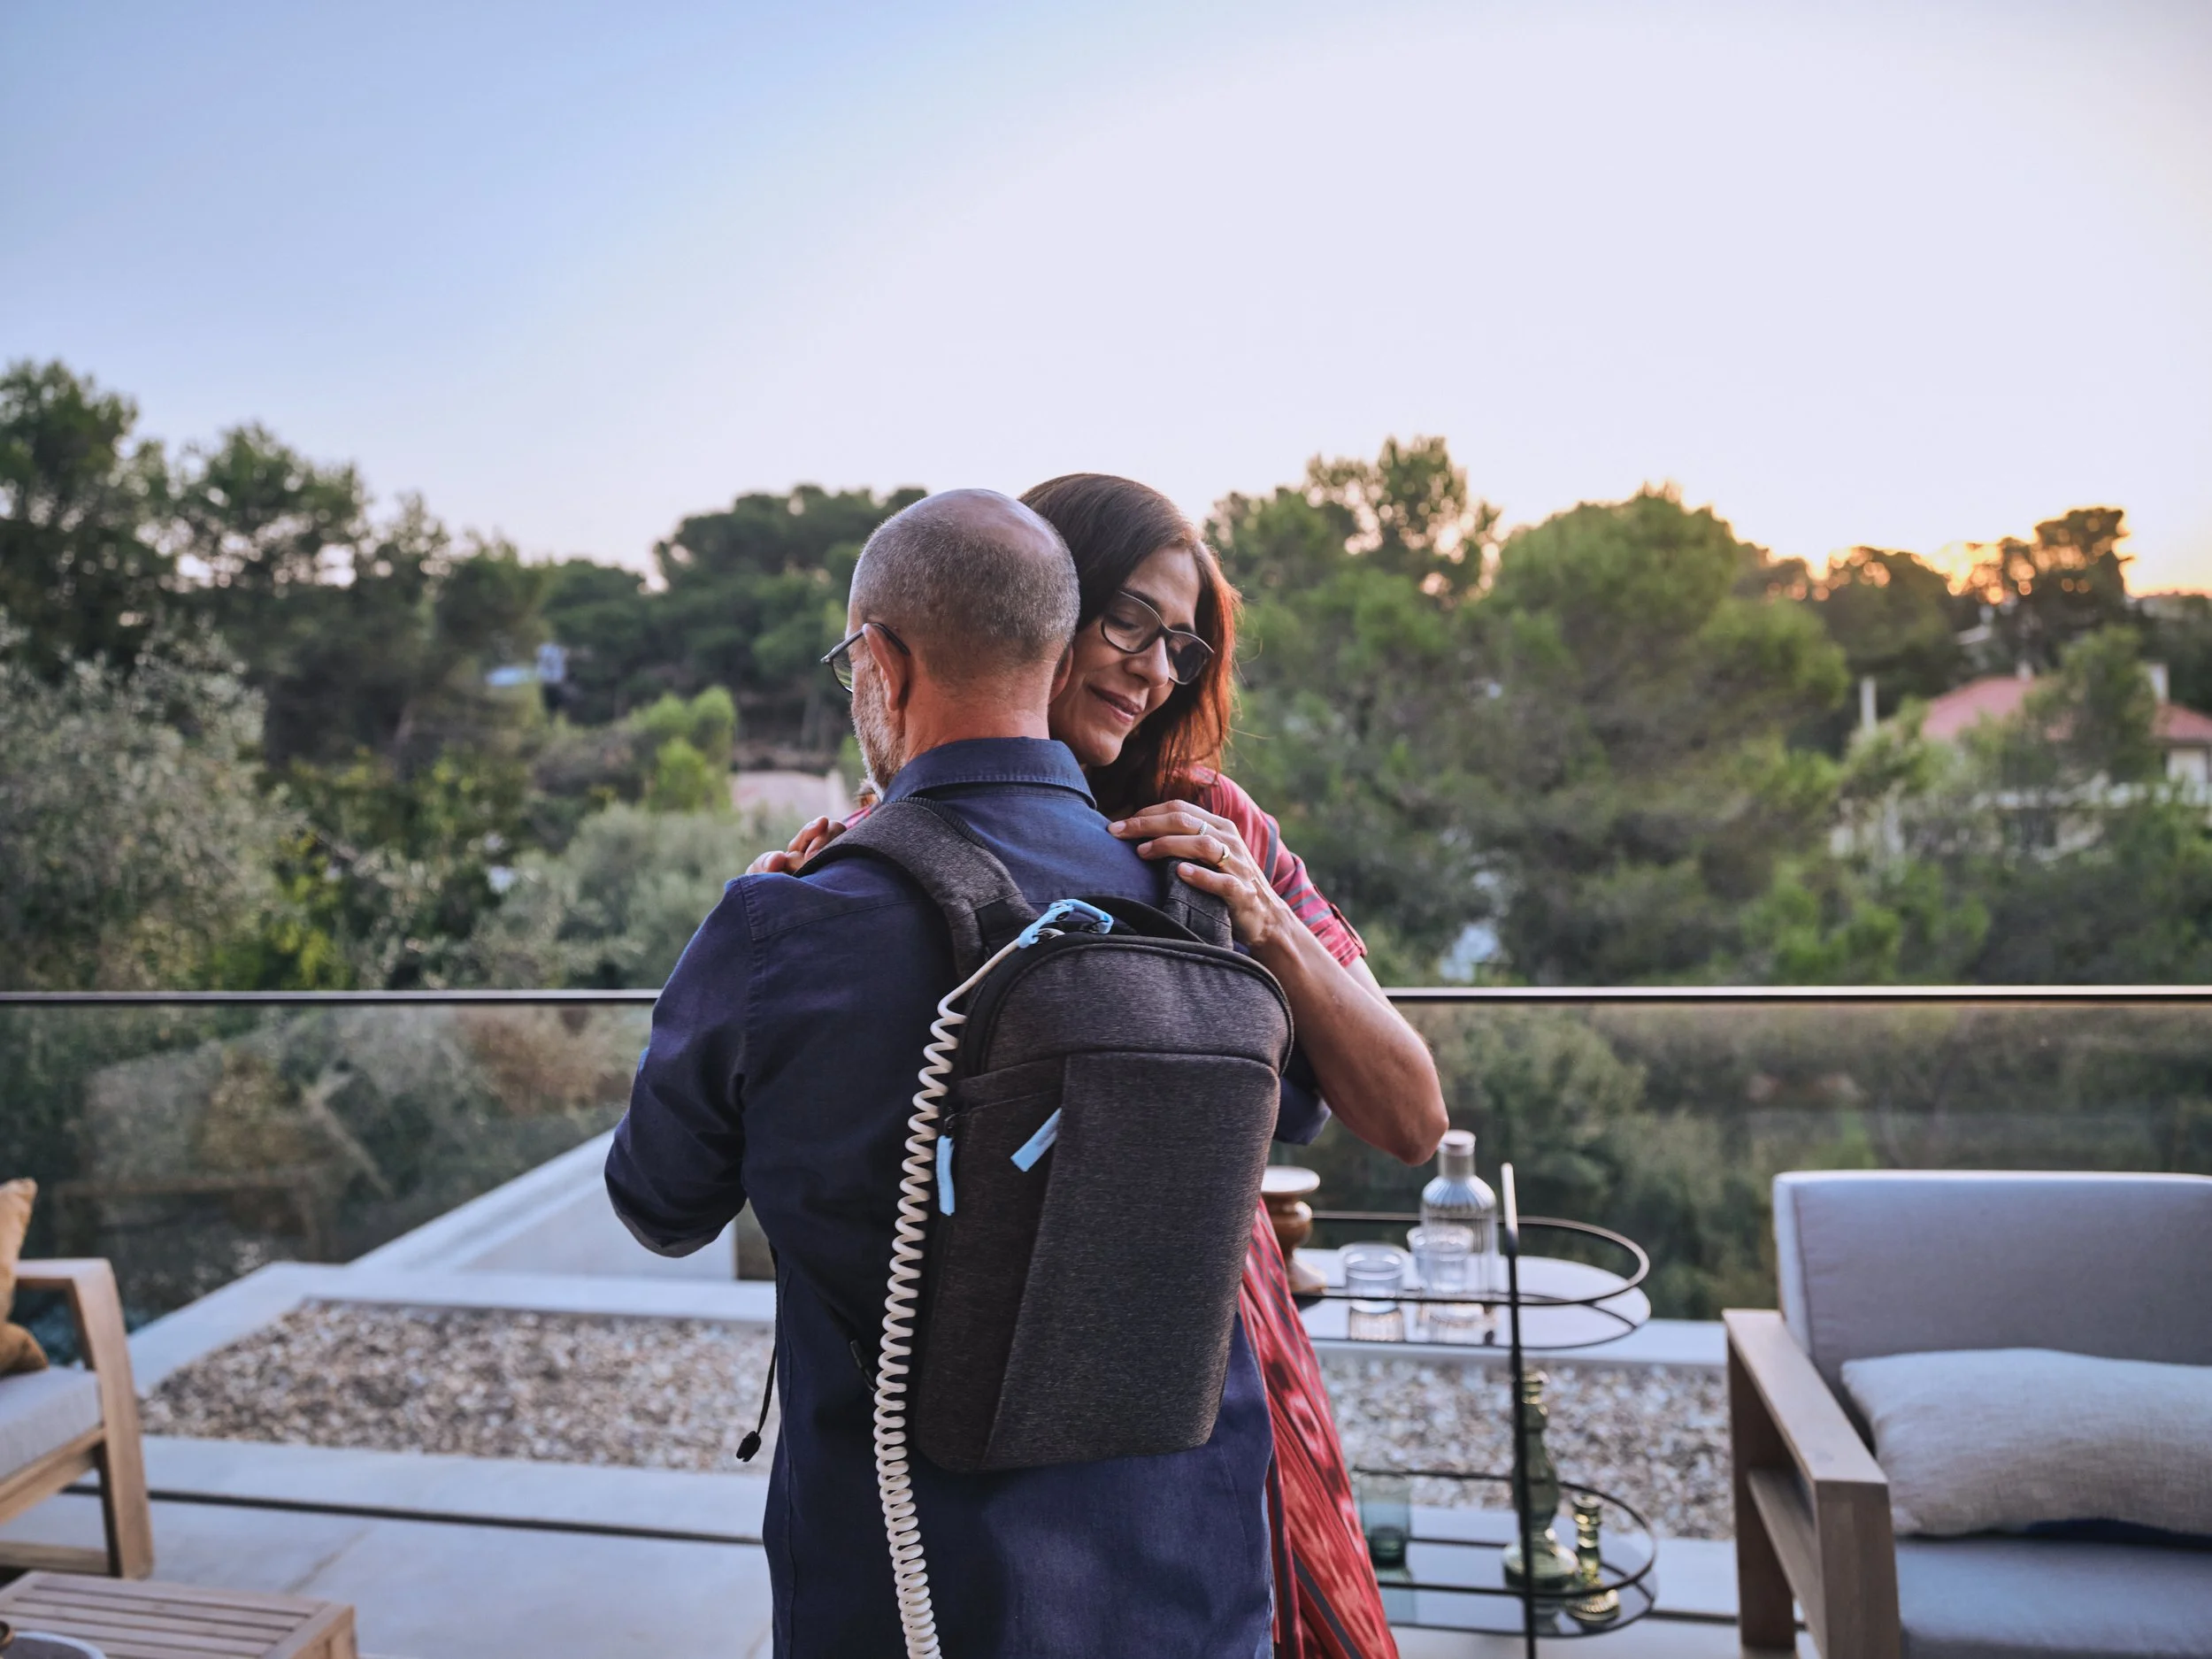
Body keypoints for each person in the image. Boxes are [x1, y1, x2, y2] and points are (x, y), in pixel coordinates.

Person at [607, 488, 1319, 1658]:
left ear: (882, 665)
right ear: (1056, 657)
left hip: (906, 1593)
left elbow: (660, 1204)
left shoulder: (784, 925)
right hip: (1194, 1584)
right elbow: (1297, 1114)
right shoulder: (1203, 899)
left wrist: (727, 966)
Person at [757, 473, 1449, 1659]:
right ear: (1037, 603)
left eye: (1182, 644)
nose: (1157, 670)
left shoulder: (1218, 830)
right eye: (1131, 622)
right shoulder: (888, 848)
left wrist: (1268, 928)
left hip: (1201, 1361)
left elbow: (1413, 1117)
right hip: (965, 1371)